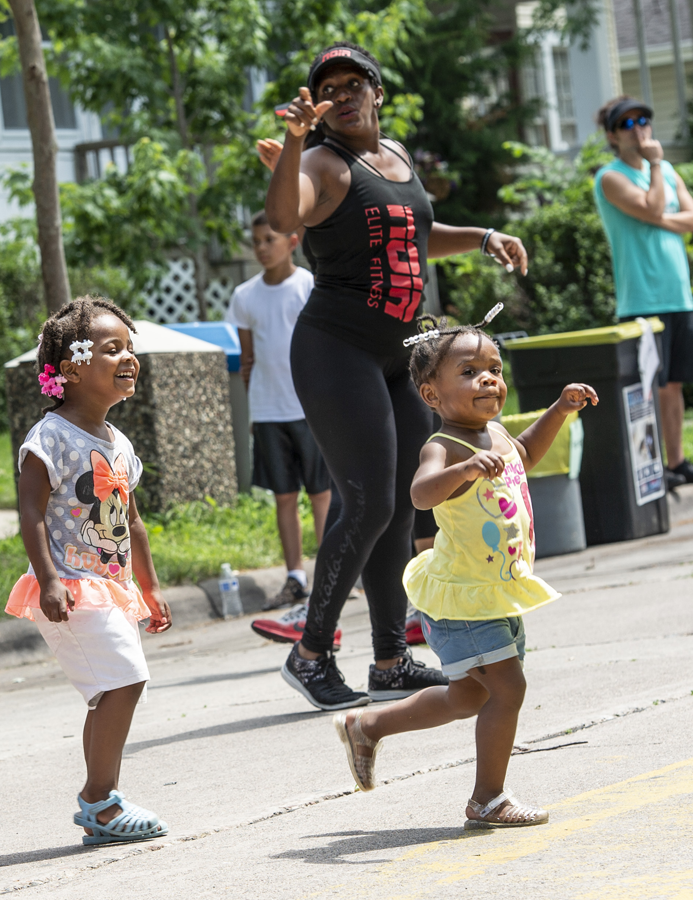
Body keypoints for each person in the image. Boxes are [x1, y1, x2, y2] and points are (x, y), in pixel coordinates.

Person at [264, 41, 530, 710]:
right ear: (319, 104)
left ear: (377, 92)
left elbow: (415, 232)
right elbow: (282, 217)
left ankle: (391, 658)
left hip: (400, 354)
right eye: (332, 86)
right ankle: (312, 651)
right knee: (370, 501)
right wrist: (294, 141)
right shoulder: (323, 161)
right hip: (337, 349)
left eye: (356, 82)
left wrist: (480, 236)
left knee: (409, 499)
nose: (345, 93)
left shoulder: (399, 157)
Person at [333, 315, 596, 828]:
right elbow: (420, 493)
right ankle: (488, 799)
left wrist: (559, 411)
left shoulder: (494, 432)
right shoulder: (446, 446)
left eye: (494, 369)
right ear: (431, 394)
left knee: (470, 695)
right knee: (508, 689)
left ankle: (368, 725)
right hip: (462, 597)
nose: (488, 379)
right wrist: (465, 469)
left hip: (491, 593)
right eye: (469, 370)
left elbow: (525, 455)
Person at [9, 297, 174, 847]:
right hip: (72, 588)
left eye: (130, 348)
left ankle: (101, 800)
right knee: (123, 682)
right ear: (73, 369)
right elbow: (29, 509)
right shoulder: (50, 436)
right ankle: (100, 803)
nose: (129, 358)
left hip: (110, 589)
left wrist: (148, 586)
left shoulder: (119, 443)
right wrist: (50, 577)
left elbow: (133, 520)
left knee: (116, 688)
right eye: (113, 349)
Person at [227, 212, 332, 612]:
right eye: (256, 241)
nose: (261, 248)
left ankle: (329, 572)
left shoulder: (309, 285)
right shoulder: (245, 296)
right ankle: (295, 577)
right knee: (284, 497)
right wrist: (256, 409)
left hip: (310, 408)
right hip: (270, 412)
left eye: (268, 239)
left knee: (321, 494)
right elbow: (248, 358)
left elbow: (322, 348)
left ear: (292, 241)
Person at [592, 96, 693, 487]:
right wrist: (653, 167)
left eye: (643, 120)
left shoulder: (667, 170)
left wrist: (662, 213)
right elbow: (654, 209)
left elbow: (690, 220)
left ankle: (676, 463)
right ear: (613, 136)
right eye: (627, 124)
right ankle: (650, 472)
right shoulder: (611, 177)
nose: (638, 129)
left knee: (673, 386)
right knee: (646, 389)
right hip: (642, 300)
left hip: (678, 296)